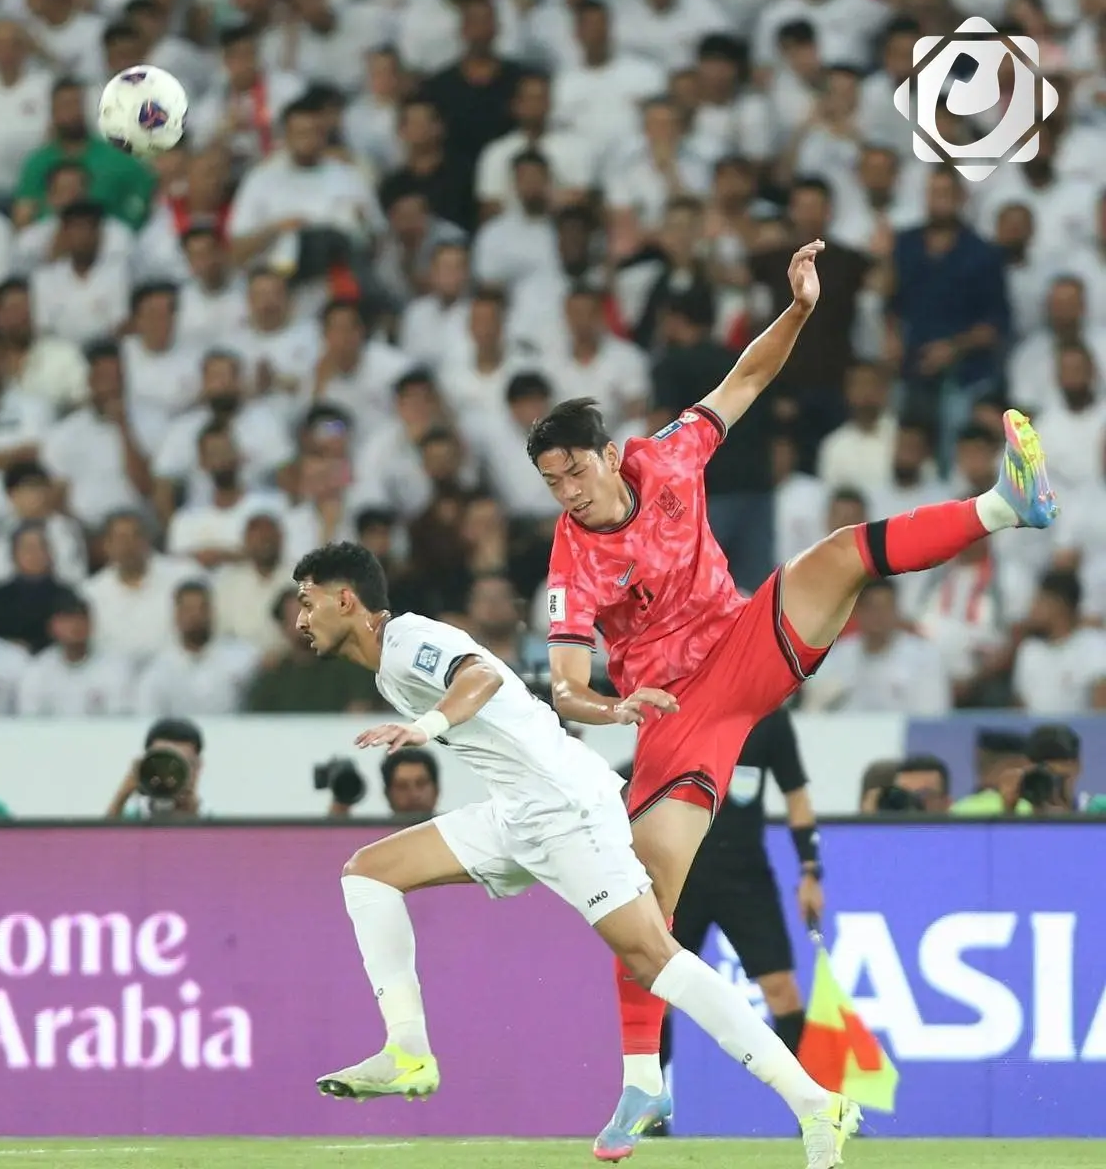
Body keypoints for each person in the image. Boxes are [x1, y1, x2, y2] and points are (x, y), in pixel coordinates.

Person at [527, 240, 1059, 1159]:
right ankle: (643, 1083)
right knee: (640, 899)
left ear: (611, 456)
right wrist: (618, 708)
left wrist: (801, 309)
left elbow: (746, 378)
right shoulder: (571, 561)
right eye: (551, 483)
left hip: (745, 647)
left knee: (844, 551)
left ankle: (1006, 506)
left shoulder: (669, 458)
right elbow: (567, 686)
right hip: (673, 710)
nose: (567, 493)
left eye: (575, 471)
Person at [294, 541, 853, 1169]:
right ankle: (407, 1050)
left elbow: (478, 676)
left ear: (347, 600)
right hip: (517, 813)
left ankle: (814, 1102)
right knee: (368, 874)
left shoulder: (405, 641)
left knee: (655, 959)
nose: (301, 618)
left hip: (567, 811)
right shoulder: (386, 667)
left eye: (307, 601)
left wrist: (426, 728)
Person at [656, 708, 823, 1087]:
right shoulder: (683, 702)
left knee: (782, 990)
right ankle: (648, 1102)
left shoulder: (769, 716)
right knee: (660, 992)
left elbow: (796, 796)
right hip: (681, 874)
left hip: (746, 876)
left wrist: (810, 870)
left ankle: (811, 1103)